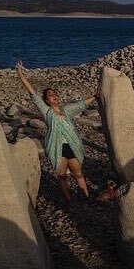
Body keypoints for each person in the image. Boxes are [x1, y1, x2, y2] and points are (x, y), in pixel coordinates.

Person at [16, 60, 96, 204]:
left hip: (72, 146)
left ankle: (86, 196)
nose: (54, 95)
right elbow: (33, 93)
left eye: (55, 93)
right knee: (62, 176)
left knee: (78, 173)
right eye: (50, 95)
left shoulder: (67, 110)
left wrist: (96, 96)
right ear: (46, 101)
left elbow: (82, 104)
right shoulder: (47, 112)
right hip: (57, 148)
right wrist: (21, 75)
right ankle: (69, 199)